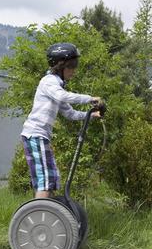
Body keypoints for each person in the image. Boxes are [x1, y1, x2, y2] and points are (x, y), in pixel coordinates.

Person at [20, 42, 101, 198]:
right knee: (45, 179)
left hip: (42, 136)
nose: (74, 70)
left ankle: (48, 215)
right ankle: (40, 217)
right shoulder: (49, 81)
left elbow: (70, 114)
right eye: (71, 65)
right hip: (34, 134)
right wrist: (90, 99)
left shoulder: (57, 87)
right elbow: (63, 96)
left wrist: (92, 115)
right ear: (59, 65)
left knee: (52, 178)